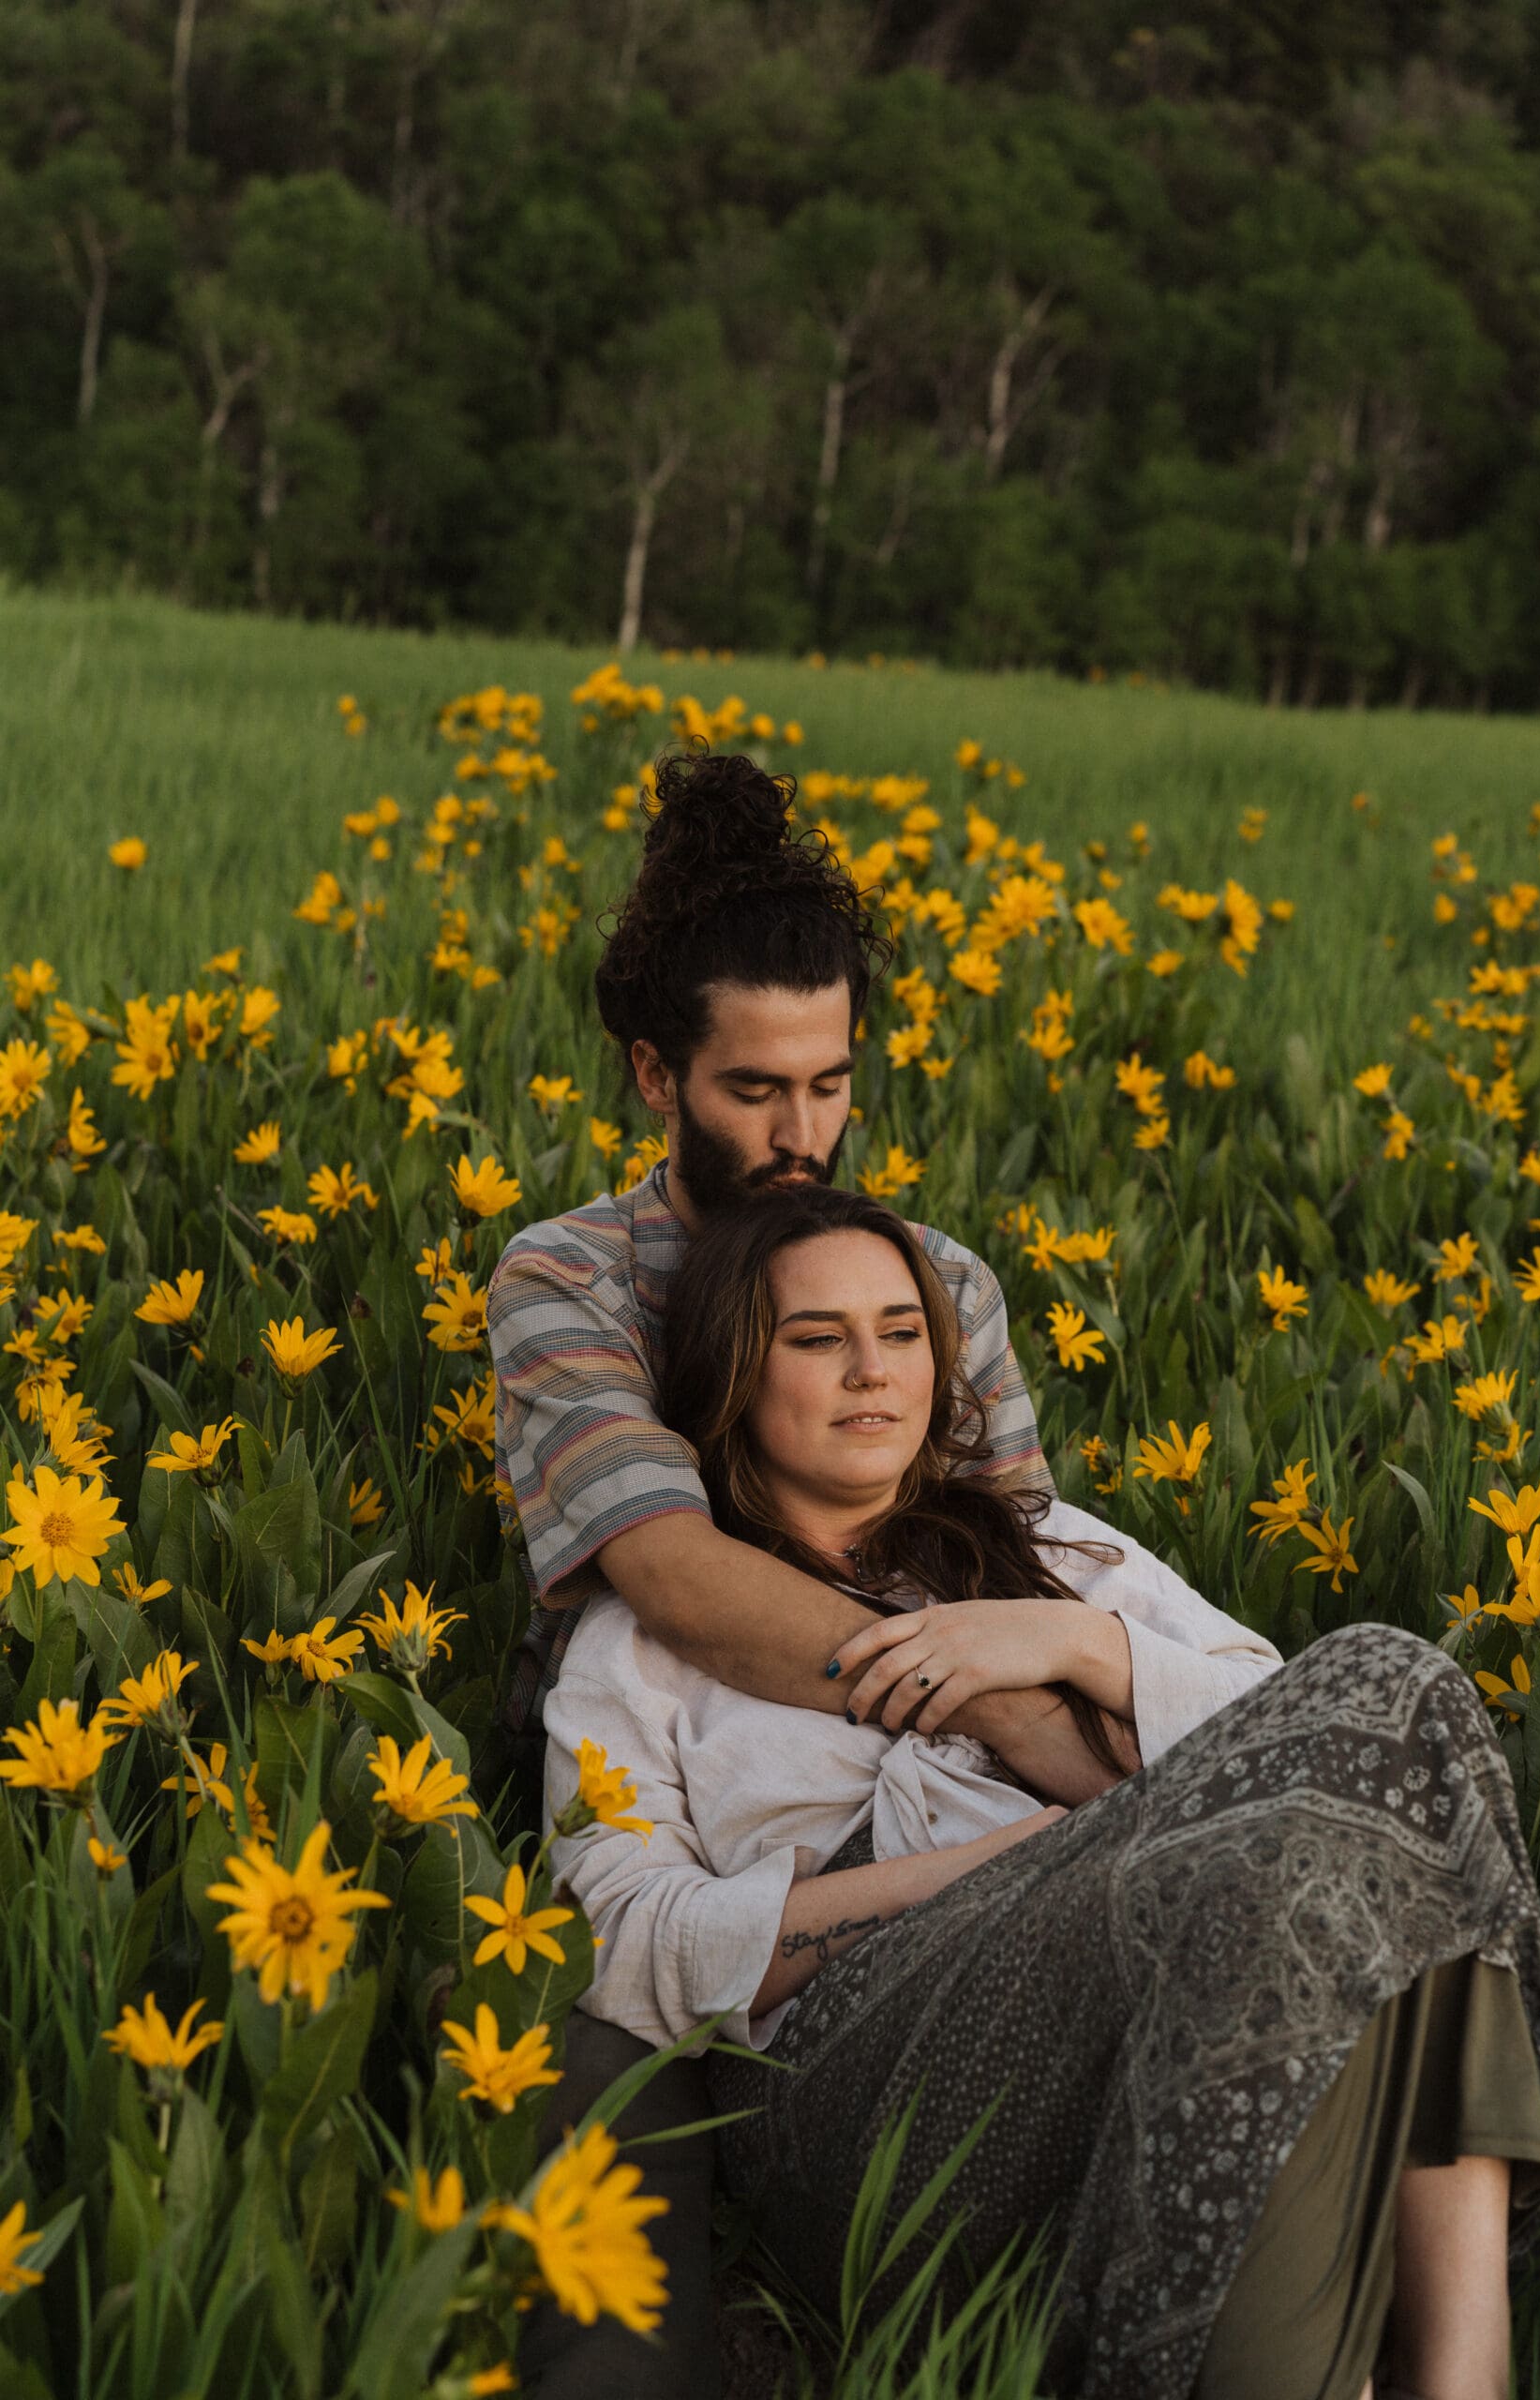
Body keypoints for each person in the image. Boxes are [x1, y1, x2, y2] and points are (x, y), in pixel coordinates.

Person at [543, 1187, 1540, 2400]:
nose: (873, 1370)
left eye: (904, 1332)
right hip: (859, 2092)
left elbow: (1318, 1734)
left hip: (1151, 1987)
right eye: (817, 1339)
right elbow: (614, 1941)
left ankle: (1456, 2374)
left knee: (1390, 1702)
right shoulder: (646, 1644)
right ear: (733, 1376)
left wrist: (1074, 1647)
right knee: (1320, 1791)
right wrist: (976, 1870)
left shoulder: (1060, 1551)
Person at [489, 749, 1101, 2395]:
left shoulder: (935, 1281)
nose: (803, 1132)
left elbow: (1033, 1568)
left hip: (950, 1791)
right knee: (611, 2084)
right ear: (651, 1073)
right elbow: (676, 1577)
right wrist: (1009, 1716)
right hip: (661, 1763)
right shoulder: (569, 1274)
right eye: (757, 1090)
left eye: (829, 1085)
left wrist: (1033, 1718)